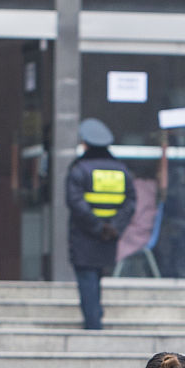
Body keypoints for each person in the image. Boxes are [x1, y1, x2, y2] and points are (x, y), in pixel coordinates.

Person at [66, 118, 136, 330]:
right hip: (109, 237)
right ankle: (95, 317)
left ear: (85, 144)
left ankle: (93, 324)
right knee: (97, 276)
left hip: (84, 236)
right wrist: (114, 227)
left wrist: (98, 227)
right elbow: (130, 202)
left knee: (87, 278)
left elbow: (75, 203)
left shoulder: (79, 169)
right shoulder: (122, 171)